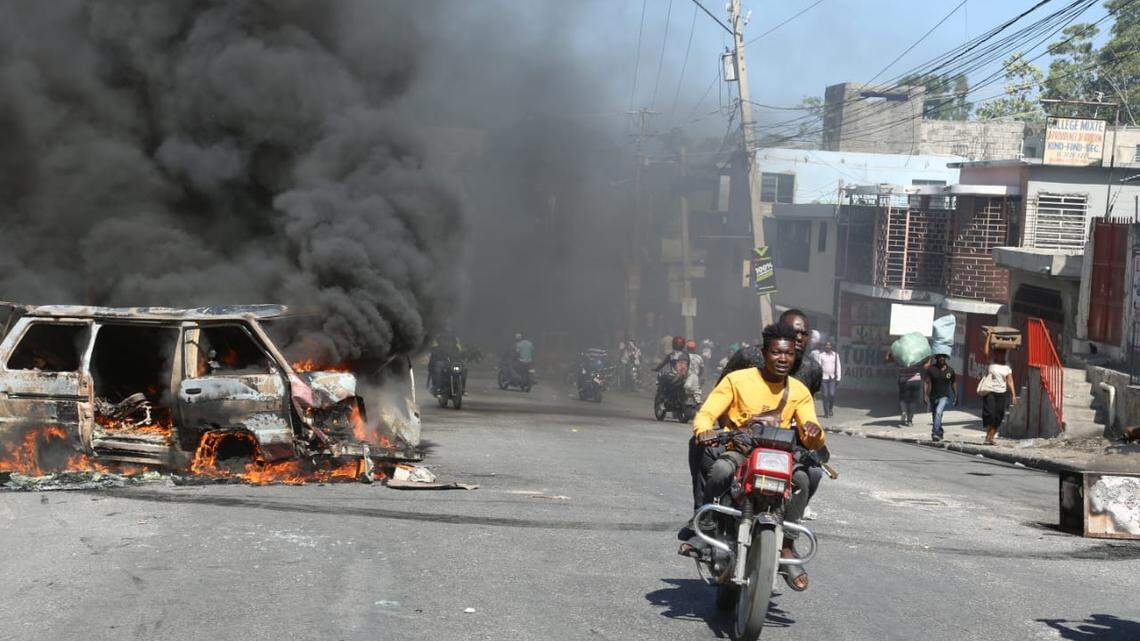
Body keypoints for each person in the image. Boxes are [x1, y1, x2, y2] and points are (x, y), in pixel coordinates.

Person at [688, 323, 824, 592]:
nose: (783, 359)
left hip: (778, 456)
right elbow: (707, 413)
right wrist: (704, 430)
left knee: (805, 479)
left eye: (789, 354)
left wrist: (813, 432)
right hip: (741, 449)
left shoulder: (799, 390)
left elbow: (813, 433)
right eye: (776, 352)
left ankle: (787, 545)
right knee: (720, 471)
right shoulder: (737, 380)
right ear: (764, 353)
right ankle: (708, 526)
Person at [978, 348, 1016, 445]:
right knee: (990, 414)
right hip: (990, 391)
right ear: (995, 354)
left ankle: (991, 437)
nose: (1000, 356)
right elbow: (985, 352)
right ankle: (988, 437)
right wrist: (988, 339)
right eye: (998, 353)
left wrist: (1013, 395)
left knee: (999, 416)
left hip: (1001, 392)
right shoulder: (991, 362)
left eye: (1002, 354)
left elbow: (1010, 380)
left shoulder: (1007, 366)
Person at [886, 350, 925, 427]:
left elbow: (887, 359)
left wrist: (891, 350)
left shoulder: (899, 356)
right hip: (915, 380)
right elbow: (924, 364)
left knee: (903, 399)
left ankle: (904, 411)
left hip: (903, 380)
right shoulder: (917, 355)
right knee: (913, 401)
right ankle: (910, 420)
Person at [813, 340, 841, 418]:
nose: (827, 346)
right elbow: (818, 367)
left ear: (831, 346)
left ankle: (830, 408)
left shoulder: (835, 355)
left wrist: (838, 377)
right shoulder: (821, 355)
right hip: (823, 378)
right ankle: (826, 412)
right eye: (826, 345)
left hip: (832, 378)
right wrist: (818, 378)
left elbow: (838, 367)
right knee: (825, 395)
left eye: (829, 345)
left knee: (832, 394)